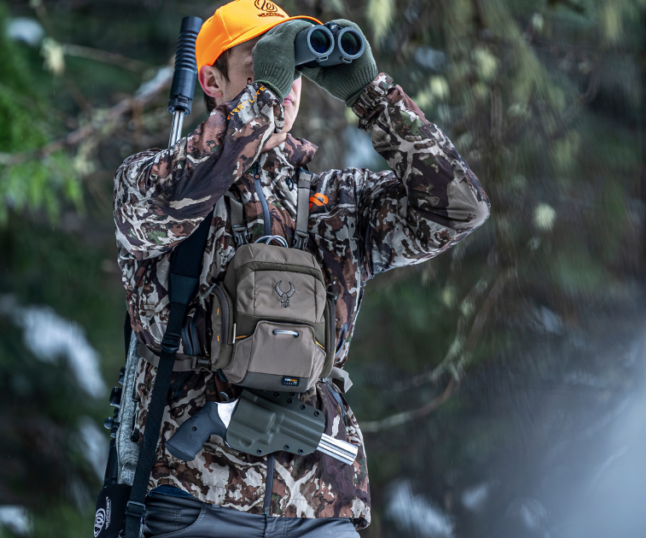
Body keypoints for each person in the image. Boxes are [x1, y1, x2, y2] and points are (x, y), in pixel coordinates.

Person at [112, 0, 490, 536]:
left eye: (292, 66)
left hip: (320, 505)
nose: (285, 81)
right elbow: (180, 195)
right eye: (263, 61)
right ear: (212, 81)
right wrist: (261, 102)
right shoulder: (152, 183)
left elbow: (459, 208)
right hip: (193, 498)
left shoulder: (339, 202)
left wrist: (371, 94)